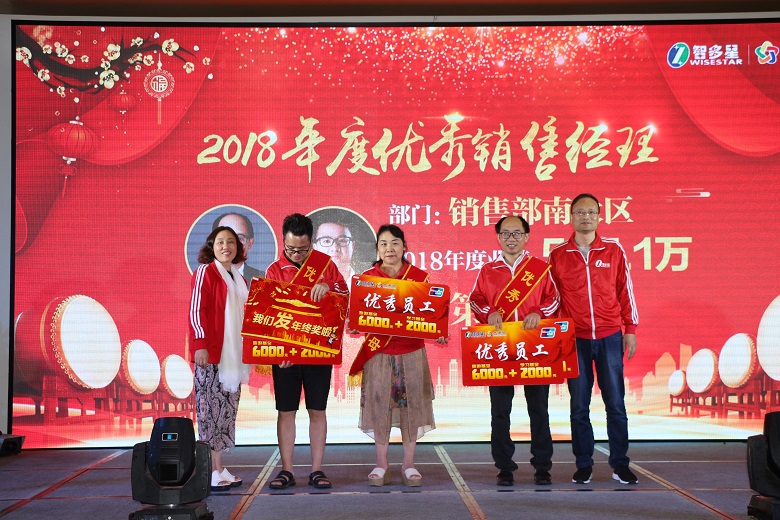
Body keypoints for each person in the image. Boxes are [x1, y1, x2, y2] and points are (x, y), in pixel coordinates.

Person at [547, 193, 639, 485]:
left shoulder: (613, 250)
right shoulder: (558, 255)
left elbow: (625, 290)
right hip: (575, 339)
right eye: (579, 212)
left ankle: (620, 464)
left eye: (590, 212)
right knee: (579, 406)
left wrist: (630, 329)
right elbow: (552, 297)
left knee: (616, 404)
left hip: (610, 335)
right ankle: (584, 464)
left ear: (599, 216)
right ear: (571, 217)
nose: (585, 217)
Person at [349, 224, 448, 487]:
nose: (389, 248)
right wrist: (354, 324)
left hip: (411, 352)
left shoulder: (418, 278)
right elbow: (355, 316)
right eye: (383, 243)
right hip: (378, 353)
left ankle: (408, 464)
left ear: (404, 247)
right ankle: (382, 464)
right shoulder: (367, 279)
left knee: (411, 408)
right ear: (377, 249)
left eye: (395, 243)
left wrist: (438, 331)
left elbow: (431, 315)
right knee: (379, 406)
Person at [469, 215, 559, 486]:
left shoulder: (540, 269)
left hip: (534, 346)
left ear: (526, 236)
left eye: (517, 233)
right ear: (498, 237)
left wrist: (538, 313)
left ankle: (542, 466)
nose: (511, 239)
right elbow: (476, 299)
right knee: (500, 411)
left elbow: (554, 299)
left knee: (539, 410)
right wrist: (489, 312)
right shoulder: (488, 270)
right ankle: (504, 467)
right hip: (500, 347)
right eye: (506, 234)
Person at [264, 213, 348, 491]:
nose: (296, 254)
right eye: (290, 249)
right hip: (286, 356)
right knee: (286, 411)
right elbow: (268, 314)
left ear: (311, 242)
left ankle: (316, 469)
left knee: (317, 410)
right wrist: (278, 351)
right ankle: (287, 470)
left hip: (318, 351)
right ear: (283, 242)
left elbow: (345, 296)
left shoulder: (326, 265)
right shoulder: (275, 270)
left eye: (302, 249)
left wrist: (329, 287)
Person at [188, 225, 250, 491]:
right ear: (212, 247)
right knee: (209, 414)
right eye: (221, 242)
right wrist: (200, 343)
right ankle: (209, 471)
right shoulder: (206, 271)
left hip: (233, 358)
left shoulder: (239, 278)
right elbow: (196, 310)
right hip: (212, 355)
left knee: (225, 412)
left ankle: (219, 466)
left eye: (231, 242)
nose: (226, 247)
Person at [213, 212, 264, 280]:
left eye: (240, 238)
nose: (232, 245)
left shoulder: (263, 279)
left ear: (250, 243)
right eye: (224, 238)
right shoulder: (204, 277)